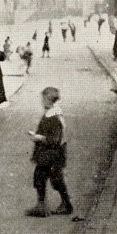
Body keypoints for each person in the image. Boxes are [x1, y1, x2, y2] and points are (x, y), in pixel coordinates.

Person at [25, 86, 73, 217]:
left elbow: (55, 139)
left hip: (53, 154)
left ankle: (66, 204)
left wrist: (39, 137)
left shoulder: (54, 117)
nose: (41, 102)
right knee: (40, 177)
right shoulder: (51, 113)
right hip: (46, 154)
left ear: (48, 100)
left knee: (56, 180)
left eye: (43, 99)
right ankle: (42, 205)